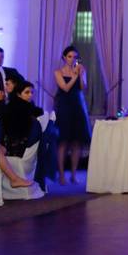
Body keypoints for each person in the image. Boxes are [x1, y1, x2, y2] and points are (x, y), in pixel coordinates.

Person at [53, 45, 91, 185]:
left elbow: (83, 88)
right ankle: (61, 174)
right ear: (64, 57)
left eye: (75, 56)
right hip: (64, 106)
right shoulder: (58, 72)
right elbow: (65, 88)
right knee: (63, 142)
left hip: (78, 106)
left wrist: (81, 75)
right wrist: (75, 75)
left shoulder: (81, 70)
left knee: (77, 142)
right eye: (69, 56)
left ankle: (74, 174)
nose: (72, 59)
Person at [0, 79, 42, 189]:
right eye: (27, 92)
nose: (30, 95)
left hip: (15, 146)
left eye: (31, 92)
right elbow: (39, 111)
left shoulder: (18, 105)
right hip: (20, 145)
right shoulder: (23, 106)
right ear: (18, 94)